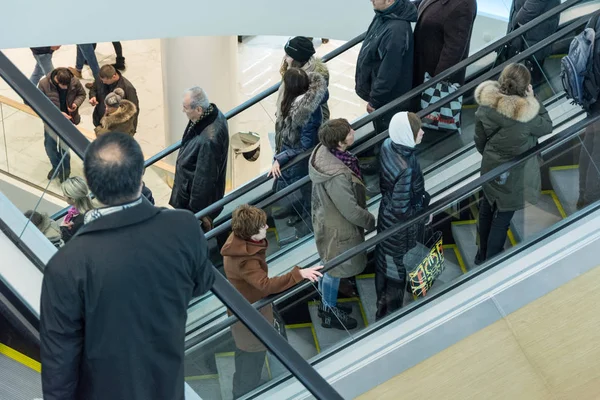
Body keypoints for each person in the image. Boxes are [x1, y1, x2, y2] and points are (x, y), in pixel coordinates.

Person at [40, 132, 215, 400]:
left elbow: (59, 367)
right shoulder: (185, 227)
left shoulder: (65, 265)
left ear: (90, 184)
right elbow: (203, 283)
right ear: (140, 174)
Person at [222, 204, 323, 399]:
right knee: (251, 360)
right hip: (251, 319)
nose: (267, 228)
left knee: (251, 357)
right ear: (251, 234)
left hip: (253, 309)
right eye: (262, 226)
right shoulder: (245, 260)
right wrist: (299, 274)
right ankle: (243, 394)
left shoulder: (238, 242)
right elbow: (266, 285)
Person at [474, 63, 552, 264]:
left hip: (491, 168)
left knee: (486, 207)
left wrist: (492, 156)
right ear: (525, 88)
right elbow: (547, 126)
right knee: (502, 219)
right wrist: (533, 100)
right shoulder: (527, 115)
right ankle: (491, 261)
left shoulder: (486, 104)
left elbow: (479, 141)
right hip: (514, 175)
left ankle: (481, 255)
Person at [309, 119, 376, 329]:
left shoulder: (325, 153)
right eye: (349, 132)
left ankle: (326, 305)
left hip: (327, 219)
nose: (353, 132)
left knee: (330, 266)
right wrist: (370, 221)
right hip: (338, 229)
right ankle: (328, 311)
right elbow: (350, 210)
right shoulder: (337, 175)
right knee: (333, 270)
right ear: (339, 142)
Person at [374, 112, 427, 319]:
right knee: (396, 273)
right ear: (406, 134)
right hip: (399, 231)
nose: (422, 132)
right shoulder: (405, 168)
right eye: (417, 130)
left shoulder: (388, 145)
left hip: (385, 219)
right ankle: (390, 317)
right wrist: (422, 210)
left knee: (384, 264)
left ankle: (381, 309)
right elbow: (402, 210)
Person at [269, 68, 327, 239]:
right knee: (300, 193)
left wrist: (281, 158)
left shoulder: (307, 113)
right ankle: (299, 217)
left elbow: (306, 146)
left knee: (307, 193)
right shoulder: (296, 102)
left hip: (301, 160)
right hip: (292, 155)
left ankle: (306, 229)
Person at [169, 87, 229, 231]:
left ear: (199, 109)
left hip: (192, 202)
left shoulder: (208, 140)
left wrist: (196, 211)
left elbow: (204, 179)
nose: (183, 111)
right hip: (189, 192)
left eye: (186, 108)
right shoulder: (209, 116)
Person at [355, 0, 417, 132]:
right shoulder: (383, 15)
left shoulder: (396, 30)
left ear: (389, 1)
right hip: (384, 96)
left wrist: (375, 100)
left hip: (388, 100)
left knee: (386, 134)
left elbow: (389, 71)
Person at [413, 0, 477, 88]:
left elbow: (453, 51)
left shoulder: (464, 4)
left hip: (430, 81)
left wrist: (434, 84)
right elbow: (418, 5)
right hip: (418, 70)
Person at [38, 68, 86, 182]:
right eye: (62, 85)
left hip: (68, 121)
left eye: (66, 85)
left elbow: (82, 94)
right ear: (56, 79)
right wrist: (58, 113)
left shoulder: (74, 81)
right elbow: (39, 103)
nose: (65, 87)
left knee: (64, 148)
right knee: (50, 147)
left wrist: (75, 104)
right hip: (51, 121)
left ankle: (65, 170)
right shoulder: (44, 84)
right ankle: (56, 166)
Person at [505, 0, 560, 85]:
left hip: (532, 36)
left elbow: (531, 8)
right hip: (525, 34)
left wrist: (518, 21)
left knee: (527, 79)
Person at [277, 36, 330, 122]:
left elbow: (322, 111)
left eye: (288, 55)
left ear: (297, 59)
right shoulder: (293, 71)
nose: (285, 58)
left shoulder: (311, 81)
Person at [89, 65, 139, 134]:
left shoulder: (128, 88)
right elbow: (93, 89)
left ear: (114, 76)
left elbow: (133, 111)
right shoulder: (102, 77)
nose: (103, 82)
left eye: (105, 81)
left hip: (115, 126)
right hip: (99, 118)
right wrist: (93, 96)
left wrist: (132, 130)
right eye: (102, 80)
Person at [59, 176, 95, 243]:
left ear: (73, 199)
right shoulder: (86, 211)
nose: (63, 196)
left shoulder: (81, 221)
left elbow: (73, 244)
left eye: (64, 194)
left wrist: (63, 229)